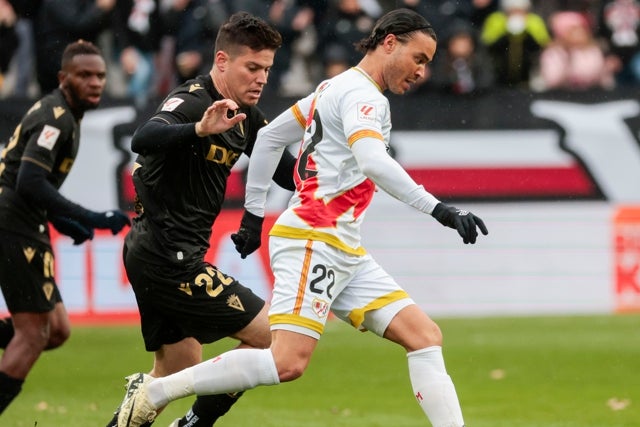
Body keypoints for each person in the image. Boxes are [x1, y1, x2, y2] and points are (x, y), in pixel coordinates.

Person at [115, 8, 488, 427]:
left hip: (342, 245)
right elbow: (372, 161)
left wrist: (255, 214)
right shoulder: (364, 96)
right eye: (419, 58)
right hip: (313, 237)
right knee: (285, 360)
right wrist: (438, 208)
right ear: (389, 43)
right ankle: (157, 391)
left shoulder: (335, 85)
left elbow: (270, 137)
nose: (422, 71)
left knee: (424, 337)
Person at [104, 11, 298, 427]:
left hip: (159, 254)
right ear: (223, 61)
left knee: (174, 371)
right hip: (168, 258)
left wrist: (335, 172)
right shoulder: (193, 100)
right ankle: (193, 425)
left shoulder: (248, 115)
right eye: (252, 67)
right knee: (271, 341)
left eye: (267, 69)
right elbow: (144, 137)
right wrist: (197, 129)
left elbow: (289, 172)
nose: (261, 78)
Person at [0, 39, 132, 415]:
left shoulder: (66, 115)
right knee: (33, 334)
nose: (95, 83)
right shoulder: (55, 117)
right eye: (85, 75)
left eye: (101, 76)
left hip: (24, 221)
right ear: (64, 78)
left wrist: (64, 221)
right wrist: (89, 216)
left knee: (56, 330)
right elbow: (27, 182)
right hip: (14, 224)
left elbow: (26, 182)